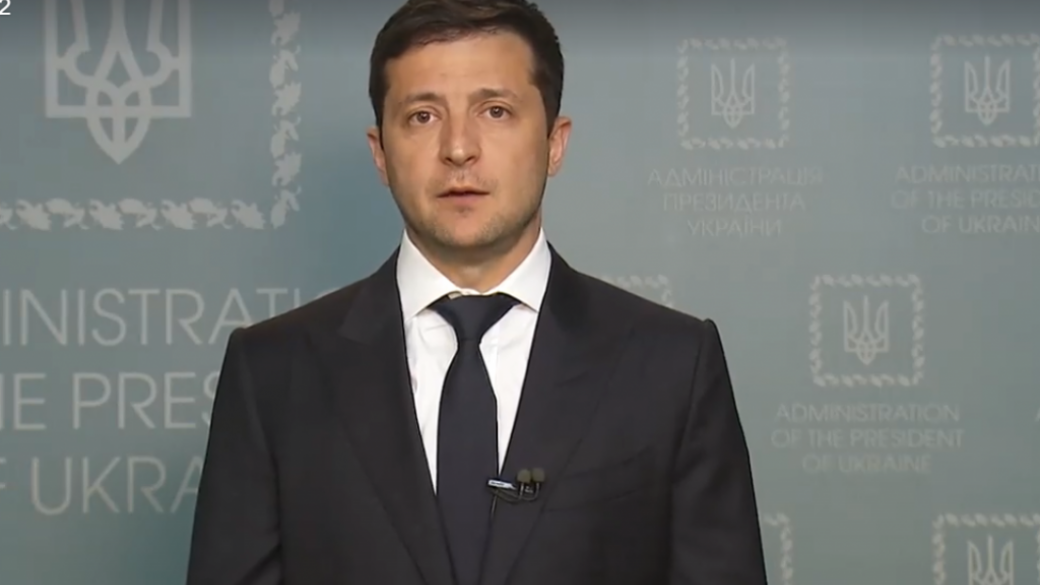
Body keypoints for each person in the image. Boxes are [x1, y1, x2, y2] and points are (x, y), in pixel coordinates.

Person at [184, 0, 768, 583]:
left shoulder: (672, 366)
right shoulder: (273, 373)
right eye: (422, 116)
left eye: (495, 111)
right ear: (380, 153)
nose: (459, 148)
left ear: (555, 142)